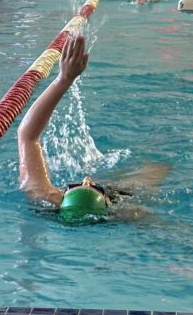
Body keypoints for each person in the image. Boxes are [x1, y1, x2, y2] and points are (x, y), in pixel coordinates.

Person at [18, 35, 169, 222]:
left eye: (74, 185)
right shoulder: (122, 211)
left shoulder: (46, 197)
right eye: (94, 187)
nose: (87, 178)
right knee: (155, 170)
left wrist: (64, 79)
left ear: (60, 200)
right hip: (119, 201)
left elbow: (27, 135)